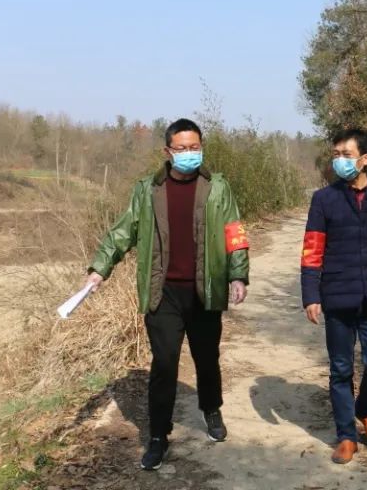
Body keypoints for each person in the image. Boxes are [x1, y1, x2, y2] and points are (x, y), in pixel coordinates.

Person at [86, 118, 250, 471]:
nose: (189, 153)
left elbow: (234, 232)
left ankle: (211, 409)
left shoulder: (217, 188)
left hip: (205, 290)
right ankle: (158, 435)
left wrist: (238, 275)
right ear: (167, 151)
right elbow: (123, 232)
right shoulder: (148, 190)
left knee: (207, 357)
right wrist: (100, 268)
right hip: (163, 293)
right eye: (182, 148)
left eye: (195, 147)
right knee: (164, 364)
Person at [301, 127, 367, 464]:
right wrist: (310, 294)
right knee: (341, 369)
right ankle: (346, 435)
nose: (339, 161)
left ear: (365, 159)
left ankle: (365, 409)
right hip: (338, 297)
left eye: (346, 155)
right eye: (336, 155)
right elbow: (312, 250)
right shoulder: (324, 199)